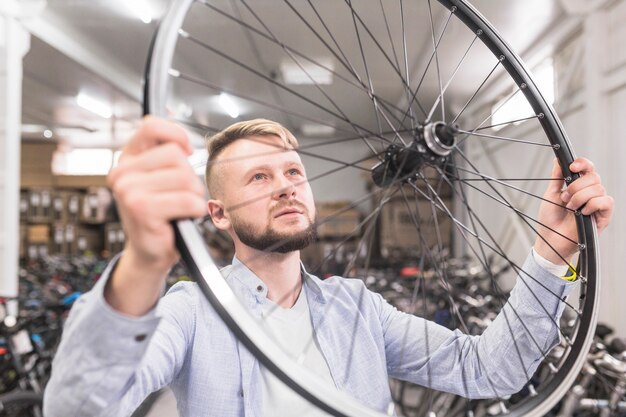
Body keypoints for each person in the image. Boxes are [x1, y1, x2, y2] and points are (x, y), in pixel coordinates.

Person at [43, 117, 614, 417]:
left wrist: (552, 257)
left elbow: (490, 371)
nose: (286, 188)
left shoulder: (357, 308)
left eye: (293, 172)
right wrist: (142, 265)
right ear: (216, 213)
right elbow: (80, 410)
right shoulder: (192, 311)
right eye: (259, 178)